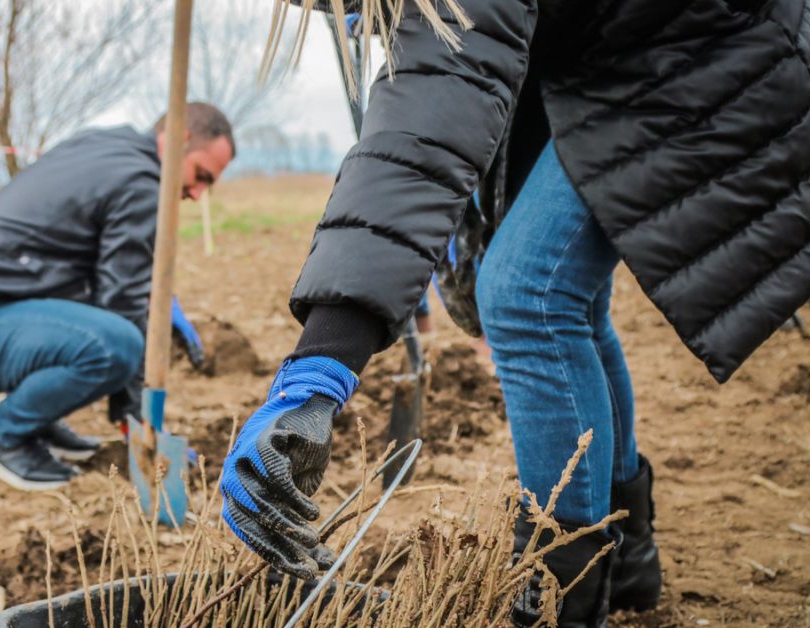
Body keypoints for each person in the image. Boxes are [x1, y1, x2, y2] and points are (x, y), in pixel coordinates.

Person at [219, 1, 810, 627]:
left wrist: (318, 372)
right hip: (615, 58)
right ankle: (627, 553)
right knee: (568, 294)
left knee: (527, 296)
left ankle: (565, 597)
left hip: (710, 50)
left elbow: (423, 124)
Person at [0, 104, 234, 491]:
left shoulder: (107, 145)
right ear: (181, 137)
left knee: (116, 327)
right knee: (116, 344)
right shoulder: (142, 184)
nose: (197, 193)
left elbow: (115, 279)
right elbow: (124, 306)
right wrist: (136, 416)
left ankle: (37, 419)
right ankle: (2, 437)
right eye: (200, 175)